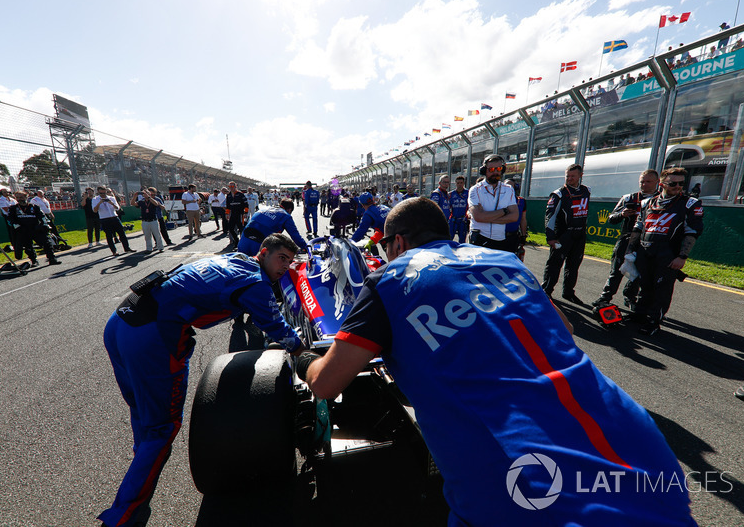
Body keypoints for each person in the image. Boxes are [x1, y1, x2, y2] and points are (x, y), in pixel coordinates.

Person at [295, 197, 695, 527]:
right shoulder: (507, 262)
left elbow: (327, 384)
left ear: (397, 243)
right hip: (630, 437)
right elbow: (564, 329)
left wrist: (307, 363)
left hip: (526, 465)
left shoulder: (391, 278)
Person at [99, 234, 303, 527]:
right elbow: (277, 327)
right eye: (281, 258)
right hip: (151, 337)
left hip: (121, 321)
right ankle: (124, 516)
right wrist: (303, 351)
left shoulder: (236, 259)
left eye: (289, 261)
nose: (285, 266)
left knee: (143, 414)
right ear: (264, 252)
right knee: (162, 429)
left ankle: (142, 464)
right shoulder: (257, 284)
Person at [628, 167, 704, 335]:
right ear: (662, 184)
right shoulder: (647, 203)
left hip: (668, 254)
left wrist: (682, 256)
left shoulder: (690, 203)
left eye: (681, 183)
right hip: (645, 250)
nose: (678, 186)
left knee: (661, 290)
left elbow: (692, 232)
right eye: (673, 183)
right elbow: (638, 226)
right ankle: (639, 315)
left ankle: (654, 321)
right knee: (644, 285)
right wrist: (630, 250)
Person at [592, 170, 659, 309]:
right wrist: (622, 214)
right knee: (616, 271)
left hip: (647, 242)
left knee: (639, 273)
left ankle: (630, 297)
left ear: (657, 182)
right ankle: (605, 297)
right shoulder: (629, 198)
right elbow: (611, 218)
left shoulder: (661, 200)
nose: (644, 184)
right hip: (626, 239)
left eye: (648, 181)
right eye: (642, 181)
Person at [542, 163, 590, 304]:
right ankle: (546, 291)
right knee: (554, 265)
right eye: (567, 176)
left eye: (572, 176)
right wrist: (551, 237)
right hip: (563, 235)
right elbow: (549, 216)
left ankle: (568, 292)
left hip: (580, 235)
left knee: (574, 265)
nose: (569, 179)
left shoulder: (587, 191)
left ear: (580, 176)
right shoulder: (558, 194)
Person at [467, 155, 518, 250]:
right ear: (484, 171)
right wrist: (504, 211)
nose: (495, 172)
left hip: (500, 239)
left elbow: (514, 216)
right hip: (480, 238)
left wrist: (486, 218)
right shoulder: (475, 190)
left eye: (498, 169)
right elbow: (478, 217)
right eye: (491, 169)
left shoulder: (508, 189)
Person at [7, 191, 62, 266]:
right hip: (23, 230)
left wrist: (44, 224)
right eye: (18, 198)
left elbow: (42, 217)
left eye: (21, 197)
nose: (20, 199)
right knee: (28, 246)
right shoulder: (13, 208)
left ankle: (52, 258)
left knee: (47, 243)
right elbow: (10, 219)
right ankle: (34, 261)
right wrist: (16, 226)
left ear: (26, 197)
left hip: (35, 228)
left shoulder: (34, 207)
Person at [237, 199, 307, 256]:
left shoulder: (263, 209)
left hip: (243, 241)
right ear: (289, 210)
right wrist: (305, 247)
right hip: (258, 246)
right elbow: (295, 235)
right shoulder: (285, 216)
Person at [93, 185, 134, 256]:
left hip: (114, 217)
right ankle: (114, 251)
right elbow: (95, 210)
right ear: (98, 193)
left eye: (104, 193)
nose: (103, 195)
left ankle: (127, 248)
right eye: (101, 193)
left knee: (122, 233)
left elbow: (117, 208)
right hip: (104, 219)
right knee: (109, 236)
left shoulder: (111, 198)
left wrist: (111, 203)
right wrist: (100, 203)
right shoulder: (95, 199)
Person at [131, 189, 164, 253]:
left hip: (153, 220)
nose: (145, 195)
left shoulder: (152, 200)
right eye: (144, 193)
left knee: (157, 234)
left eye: (147, 193)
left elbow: (156, 204)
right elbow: (133, 203)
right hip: (145, 221)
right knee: (147, 236)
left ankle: (160, 247)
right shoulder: (142, 201)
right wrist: (135, 196)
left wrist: (149, 197)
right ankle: (149, 248)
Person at [503, 179, 528, 258]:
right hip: (499, 235)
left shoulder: (521, 201)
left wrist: (523, 236)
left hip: (513, 236)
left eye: (510, 186)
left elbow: (523, 219)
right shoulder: (498, 200)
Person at [225, 181, 248, 249]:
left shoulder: (240, 194)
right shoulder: (228, 195)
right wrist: (227, 214)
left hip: (240, 214)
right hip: (233, 214)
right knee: (230, 228)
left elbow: (246, 204)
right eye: (230, 187)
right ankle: (236, 240)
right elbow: (228, 206)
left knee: (241, 229)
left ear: (236, 186)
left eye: (232, 186)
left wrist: (245, 212)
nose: (231, 188)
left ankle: (242, 243)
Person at [448, 176, 469, 243]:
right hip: (453, 220)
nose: (460, 184)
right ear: (455, 183)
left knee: (462, 240)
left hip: (463, 220)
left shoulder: (468, 193)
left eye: (461, 183)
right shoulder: (450, 194)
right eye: (458, 183)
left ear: (464, 183)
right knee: (449, 238)